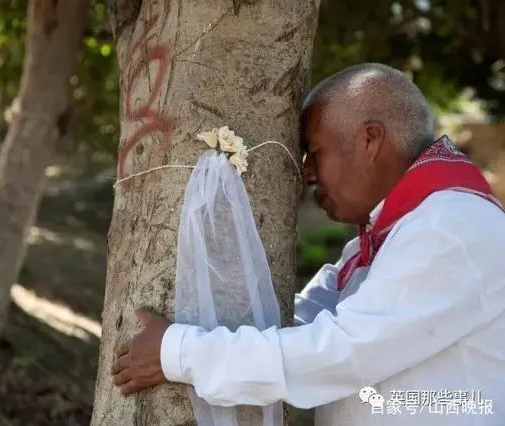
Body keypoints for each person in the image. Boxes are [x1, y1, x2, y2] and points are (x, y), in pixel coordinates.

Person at [110, 63, 505, 425]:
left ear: (370, 139)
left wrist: (178, 353)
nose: (307, 174)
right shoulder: (392, 236)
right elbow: (295, 321)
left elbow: (337, 352)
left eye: (315, 153)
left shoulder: (452, 228)